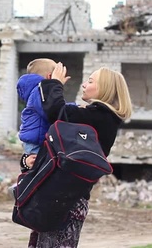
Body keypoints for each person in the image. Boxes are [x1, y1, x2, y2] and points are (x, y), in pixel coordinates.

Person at [25, 62, 132, 248]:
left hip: (66, 202)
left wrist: (55, 84)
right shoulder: (96, 116)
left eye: (90, 81)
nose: (84, 84)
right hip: (61, 198)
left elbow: (57, 112)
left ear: (105, 89)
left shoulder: (100, 117)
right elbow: (56, 150)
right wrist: (27, 161)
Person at [16, 58, 57, 173]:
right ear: (50, 77)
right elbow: (51, 110)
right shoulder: (40, 91)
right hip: (36, 143)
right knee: (38, 174)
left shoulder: (37, 90)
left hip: (34, 140)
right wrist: (73, 107)